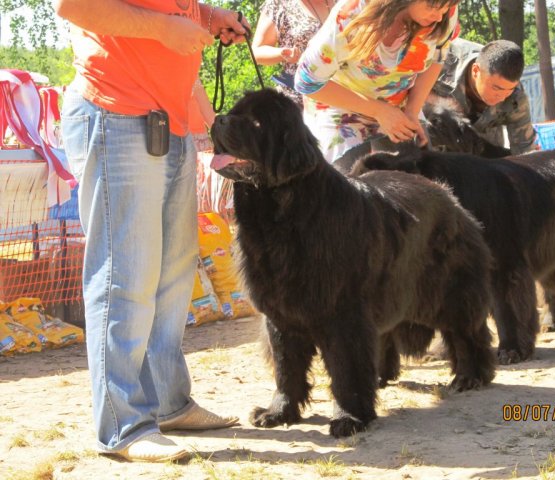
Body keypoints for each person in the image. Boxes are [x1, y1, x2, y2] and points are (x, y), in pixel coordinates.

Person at [53, 0, 249, 463]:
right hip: (115, 117)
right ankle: (123, 425)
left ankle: (167, 404)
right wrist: (164, 29)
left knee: (173, 276)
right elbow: (70, 5)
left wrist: (207, 17)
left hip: (171, 123)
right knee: (126, 277)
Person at [294, 0, 461, 162]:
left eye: (447, 8)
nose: (440, 16)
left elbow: (437, 58)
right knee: (348, 185)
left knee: (418, 175)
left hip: (399, 106)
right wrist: (379, 111)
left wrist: (412, 110)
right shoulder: (349, 16)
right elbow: (307, 82)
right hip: (341, 106)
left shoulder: (444, 11)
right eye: (433, 6)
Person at [425, 38, 537, 154]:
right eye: (496, 88)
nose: (502, 97)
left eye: (509, 90)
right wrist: (437, 101)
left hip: (484, 153)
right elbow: (407, 88)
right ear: (475, 71)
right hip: (431, 146)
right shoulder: (439, 57)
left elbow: (525, 149)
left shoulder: (516, 98)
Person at [252, 0, 335, 106]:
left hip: (350, 92)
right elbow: (257, 52)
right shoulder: (279, 4)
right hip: (299, 101)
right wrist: (282, 53)